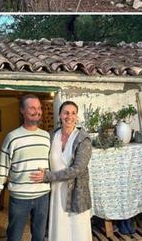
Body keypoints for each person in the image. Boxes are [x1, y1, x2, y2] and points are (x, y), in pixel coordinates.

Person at [0, 94, 51, 241]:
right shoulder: (13, 137)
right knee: (14, 236)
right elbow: (3, 167)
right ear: (22, 110)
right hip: (19, 197)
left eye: (39, 108)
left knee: (39, 236)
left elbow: (52, 163)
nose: (37, 111)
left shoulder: (47, 137)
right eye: (32, 107)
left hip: (43, 196)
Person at [31, 101, 93, 241]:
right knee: (59, 229)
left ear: (76, 116)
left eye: (73, 113)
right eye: (66, 112)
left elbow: (77, 169)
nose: (69, 116)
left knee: (77, 229)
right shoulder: (52, 135)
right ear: (60, 115)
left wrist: (48, 176)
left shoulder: (83, 139)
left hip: (76, 192)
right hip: (56, 192)